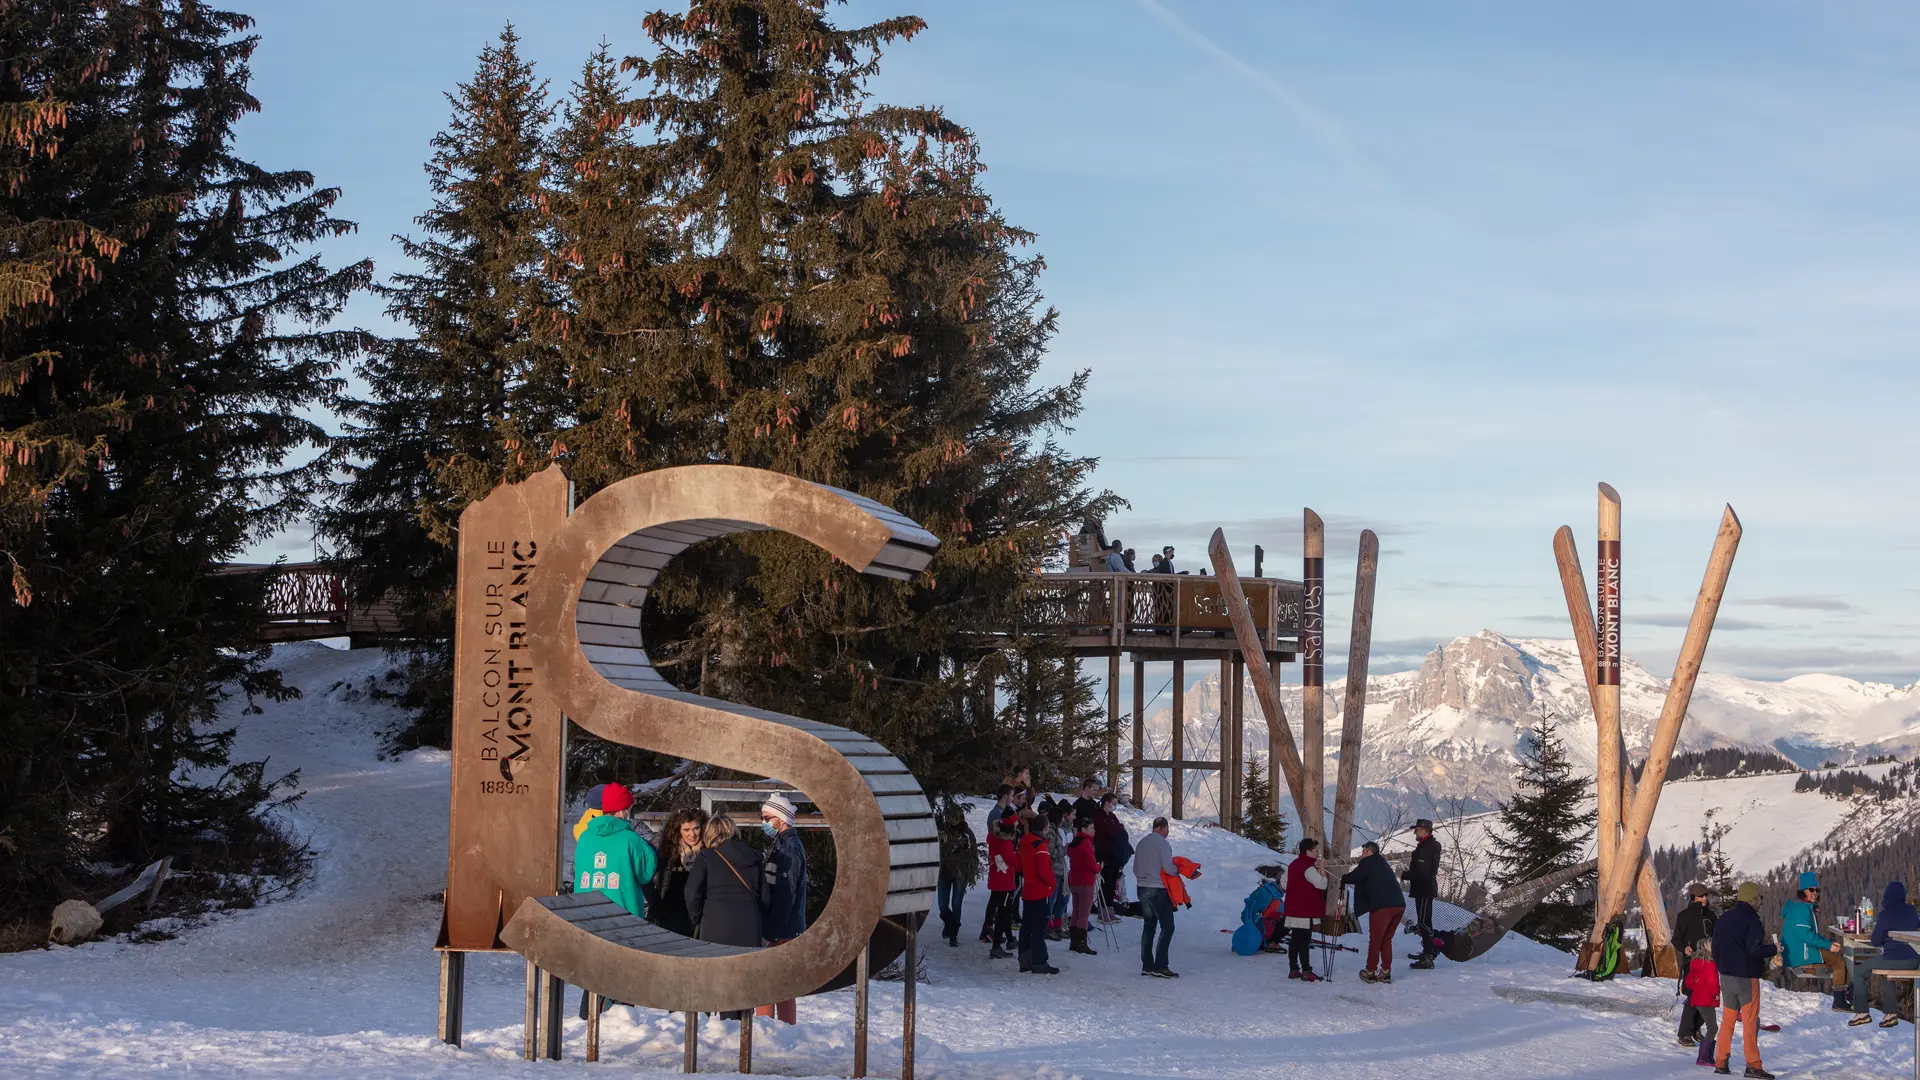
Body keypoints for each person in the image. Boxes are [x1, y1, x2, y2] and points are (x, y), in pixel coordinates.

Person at [1711, 881, 1778, 1079]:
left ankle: (1721, 1062)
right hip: (1747, 978)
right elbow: (1754, 950)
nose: (1761, 901)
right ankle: (1753, 1066)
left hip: (1726, 976)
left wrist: (1722, 967)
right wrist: (1775, 949)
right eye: (1760, 898)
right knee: (1750, 1022)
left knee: (1728, 1020)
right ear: (1752, 899)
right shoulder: (1752, 921)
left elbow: (1715, 948)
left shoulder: (1724, 919)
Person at [757, 793, 808, 1025]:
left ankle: (767, 1029)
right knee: (781, 985)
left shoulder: (789, 849)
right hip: (786, 926)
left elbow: (786, 893)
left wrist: (772, 931)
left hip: (783, 928)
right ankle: (784, 1028)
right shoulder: (783, 844)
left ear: (780, 817)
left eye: (767, 817)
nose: (764, 822)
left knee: (769, 984)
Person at [573, 783, 658, 920]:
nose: (629, 811)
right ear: (620, 811)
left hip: (586, 912)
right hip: (623, 913)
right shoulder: (631, 839)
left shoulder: (584, 837)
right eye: (628, 808)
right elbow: (645, 874)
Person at [1848, 880, 1920, 1028]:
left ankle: (1862, 1012)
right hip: (1914, 960)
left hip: (1893, 959)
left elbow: (1875, 941)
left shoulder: (1885, 914)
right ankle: (1890, 1014)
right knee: (1886, 974)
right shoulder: (1912, 910)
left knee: (1861, 971)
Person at [1780, 871, 1850, 1011]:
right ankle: (1840, 1002)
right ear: (1802, 891)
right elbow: (1805, 935)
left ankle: (1846, 998)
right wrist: (1829, 946)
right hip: (1800, 951)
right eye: (1811, 890)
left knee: (1840, 960)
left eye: (1816, 890)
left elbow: (1810, 934)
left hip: (1798, 948)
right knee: (1839, 963)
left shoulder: (1801, 906)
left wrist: (1828, 944)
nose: (1814, 893)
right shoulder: (1801, 909)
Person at [1342, 840, 1406, 984]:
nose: (1362, 854)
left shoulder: (1368, 862)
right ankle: (1385, 972)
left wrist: (1343, 879)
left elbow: (1356, 877)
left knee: (1376, 940)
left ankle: (1370, 971)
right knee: (1386, 939)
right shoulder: (1382, 863)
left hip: (1383, 907)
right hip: (1399, 905)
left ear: (1370, 852)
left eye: (1363, 851)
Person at [650, 807, 708, 937]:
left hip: (701, 915)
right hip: (672, 915)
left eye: (696, 828)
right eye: (686, 830)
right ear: (678, 831)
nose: (692, 834)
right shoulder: (668, 852)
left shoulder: (709, 852)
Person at [1134, 816, 1181, 978]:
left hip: (1142, 888)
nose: (1167, 833)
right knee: (1167, 926)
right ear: (1162, 828)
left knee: (1149, 926)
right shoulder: (1163, 844)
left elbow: (1135, 868)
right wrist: (1177, 870)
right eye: (1167, 830)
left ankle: (1147, 965)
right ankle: (1160, 966)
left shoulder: (1141, 843)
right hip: (1158, 889)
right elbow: (1168, 867)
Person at [1673, 882, 1718, 1041]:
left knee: (1708, 997)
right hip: (1692, 963)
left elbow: (1717, 937)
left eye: (1706, 895)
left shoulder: (1711, 916)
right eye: (1701, 896)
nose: (1705, 898)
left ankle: (1696, 1029)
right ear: (1694, 898)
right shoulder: (1684, 916)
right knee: (1693, 997)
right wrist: (1685, 948)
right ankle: (1684, 1033)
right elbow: (1676, 939)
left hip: (1710, 963)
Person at [1016, 809, 1059, 974]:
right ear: (1045, 828)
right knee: (1039, 928)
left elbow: (1020, 864)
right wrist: (1052, 883)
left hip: (1028, 890)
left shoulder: (1025, 841)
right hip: (1040, 891)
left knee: (1026, 926)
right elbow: (1043, 871)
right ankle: (1039, 961)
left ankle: (1025, 960)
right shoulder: (1040, 846)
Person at [1283, 837, 1329, 982]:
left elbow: (1284, 882)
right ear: (1308, 851)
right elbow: (1322, 884)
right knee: (1304, 940)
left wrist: (1295, 892)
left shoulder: (1293, 864)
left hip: (1293, 908)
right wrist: (1322, 868)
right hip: (1305, 910)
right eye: (1315, 851)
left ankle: (1293, 969)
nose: (1316, 854)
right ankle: (1306, 970)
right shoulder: (1308, 868)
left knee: (1295, 939)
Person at [935, 800, 978, 948]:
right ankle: (950, 922)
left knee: (956, 903)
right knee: (942, 905)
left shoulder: (967, 833)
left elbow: (973, 853)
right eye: (949, 817)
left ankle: (953, 933)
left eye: (954, 817)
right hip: (944, 872)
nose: (951, 820)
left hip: (960, 874)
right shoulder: (942, 832)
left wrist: (969, 869)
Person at [1402, 818, 1442, 969]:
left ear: (1425, 831)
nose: (1415, 832)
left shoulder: (1427, 847)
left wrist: (1406, 875)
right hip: (1424, 888)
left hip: (1424, 888)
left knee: (1424, 923)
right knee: (1424, 922)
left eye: (1417, 830)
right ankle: (1427, 952)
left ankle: (1428, 956)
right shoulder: (1427, 846)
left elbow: (1422, 871)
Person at [980, 813, 1018, 958]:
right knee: (1003, 913)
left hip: (996, 879)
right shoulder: (1006, 844)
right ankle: (996, 946)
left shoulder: (993, 839)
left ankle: (1001, 937)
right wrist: (1016, 853)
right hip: (1005, 882)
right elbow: (1012, 860)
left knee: (999, 909)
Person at [1682, 938, 1721, 1065]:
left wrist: (1698, 987)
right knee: (1713, 1027)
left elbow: (1688, 981)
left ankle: (1706, 1056)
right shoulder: (1710, 963)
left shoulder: (1696, 962)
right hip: (1707, 998)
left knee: (1710, 1025)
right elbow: (1713, 982)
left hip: (1698, 998)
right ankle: (1704, 1057)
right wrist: (1715, 995)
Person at [1094, 793, 1131, 918]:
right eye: (1113, 804)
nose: (1114, 807)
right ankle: (1102, 909)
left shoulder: (1112, 816)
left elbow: (1117, 829)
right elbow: (1111, 830)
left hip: (1114, 854)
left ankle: (1109, 907)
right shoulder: (1098, 816)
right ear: (1106, 802)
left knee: (1112, 881)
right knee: (1106, 881)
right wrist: (1118, 827)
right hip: (1103, 854)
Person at [1067, 817, 1100, 955]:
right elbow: (1090, 863)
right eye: (1091, 828)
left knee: (1076, 911)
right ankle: (1081, 942)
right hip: (1085, 881)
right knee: (1084, 913)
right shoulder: (1085, 843)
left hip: (1075, 880)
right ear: (1084, 829)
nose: (1094, 831)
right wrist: (1098, 867)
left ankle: (1074, 941)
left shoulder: (1075, 842)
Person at [1046, 803, 1072, 940]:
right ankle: (1048, 926)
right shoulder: (1050, 831)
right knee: (1052, 899)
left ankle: (1058, 925)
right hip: (1054, 869)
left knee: (1063, 898)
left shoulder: (1057, 830)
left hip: (1062, 869)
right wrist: (1063, 850)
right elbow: (1050, 850)